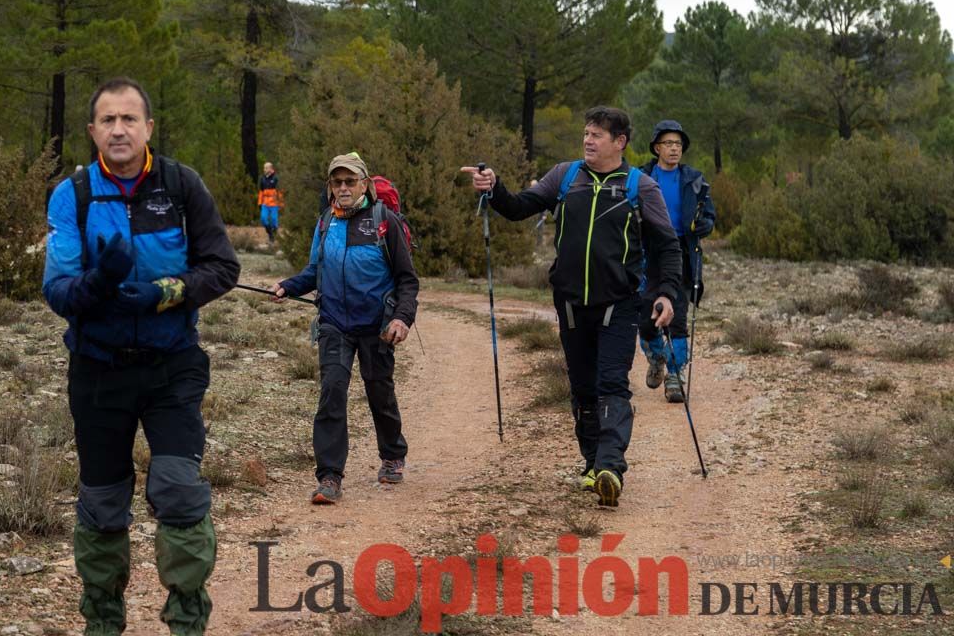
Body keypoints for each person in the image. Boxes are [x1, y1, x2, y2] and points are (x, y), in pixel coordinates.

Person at [43, 77, 240, 636]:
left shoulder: (181, 185)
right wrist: (100, 281)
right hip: (98, 370)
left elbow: (223, 268)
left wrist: (165, 294)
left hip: (170, 365)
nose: (119, 129)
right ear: (92, 132)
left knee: (178, 489)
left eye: (129, 119)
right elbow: (58, 292)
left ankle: (186, 621)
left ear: (149, 127)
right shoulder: (73, 195)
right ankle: (103, 623)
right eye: (107, 120)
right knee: (103, 502)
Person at [461, 107, 681, 508]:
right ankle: (594, 464)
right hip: (571, 305)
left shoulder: (640, 187)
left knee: (611, 383)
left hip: (619, 303)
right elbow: (518, 206)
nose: (588, 141)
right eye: (585, 133)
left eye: (597, 135)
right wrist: (493, 188)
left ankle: (611, 466)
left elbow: (667, 247)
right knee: (582, 389)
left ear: (620, 142)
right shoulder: (565, 176)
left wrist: (666, 293)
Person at [270, 153, 419, 505]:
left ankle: (393, 455)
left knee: (379, 391)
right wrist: (288, 286)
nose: (343, 188)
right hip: (335, 323)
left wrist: (402, 318)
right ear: (329, 187)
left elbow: (407, 280)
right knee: (332, 392)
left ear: (364, 184)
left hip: (377, 326)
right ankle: (329, 477)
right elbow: (314, 272)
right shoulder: (325, 223)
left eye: (350, 181)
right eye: (337, 182)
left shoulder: (385, 222)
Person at [638, 120, 716, 403]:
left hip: (682, 253)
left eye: (678, 144)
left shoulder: (694, 179)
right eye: (669, 143)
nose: (674, 149)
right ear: (657, 147)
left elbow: (709, 215)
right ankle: (656, 356)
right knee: (644, 317)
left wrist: (704, 225)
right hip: (647, 253)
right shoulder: (640, 176)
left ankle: (674, 375)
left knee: (679, 318)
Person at [257, 161, 282, 244]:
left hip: (274, 203)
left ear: (271, 168)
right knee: (263, 219)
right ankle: (270, 234)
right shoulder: (262, 178)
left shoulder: (276, 178)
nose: (264, 169)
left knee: (274, 220)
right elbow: (261, 191)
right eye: (264, 168)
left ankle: (273, 236)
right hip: (265, 203)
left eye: (266, 168)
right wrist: (260, 202)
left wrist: (281, 203)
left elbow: (280, 192)